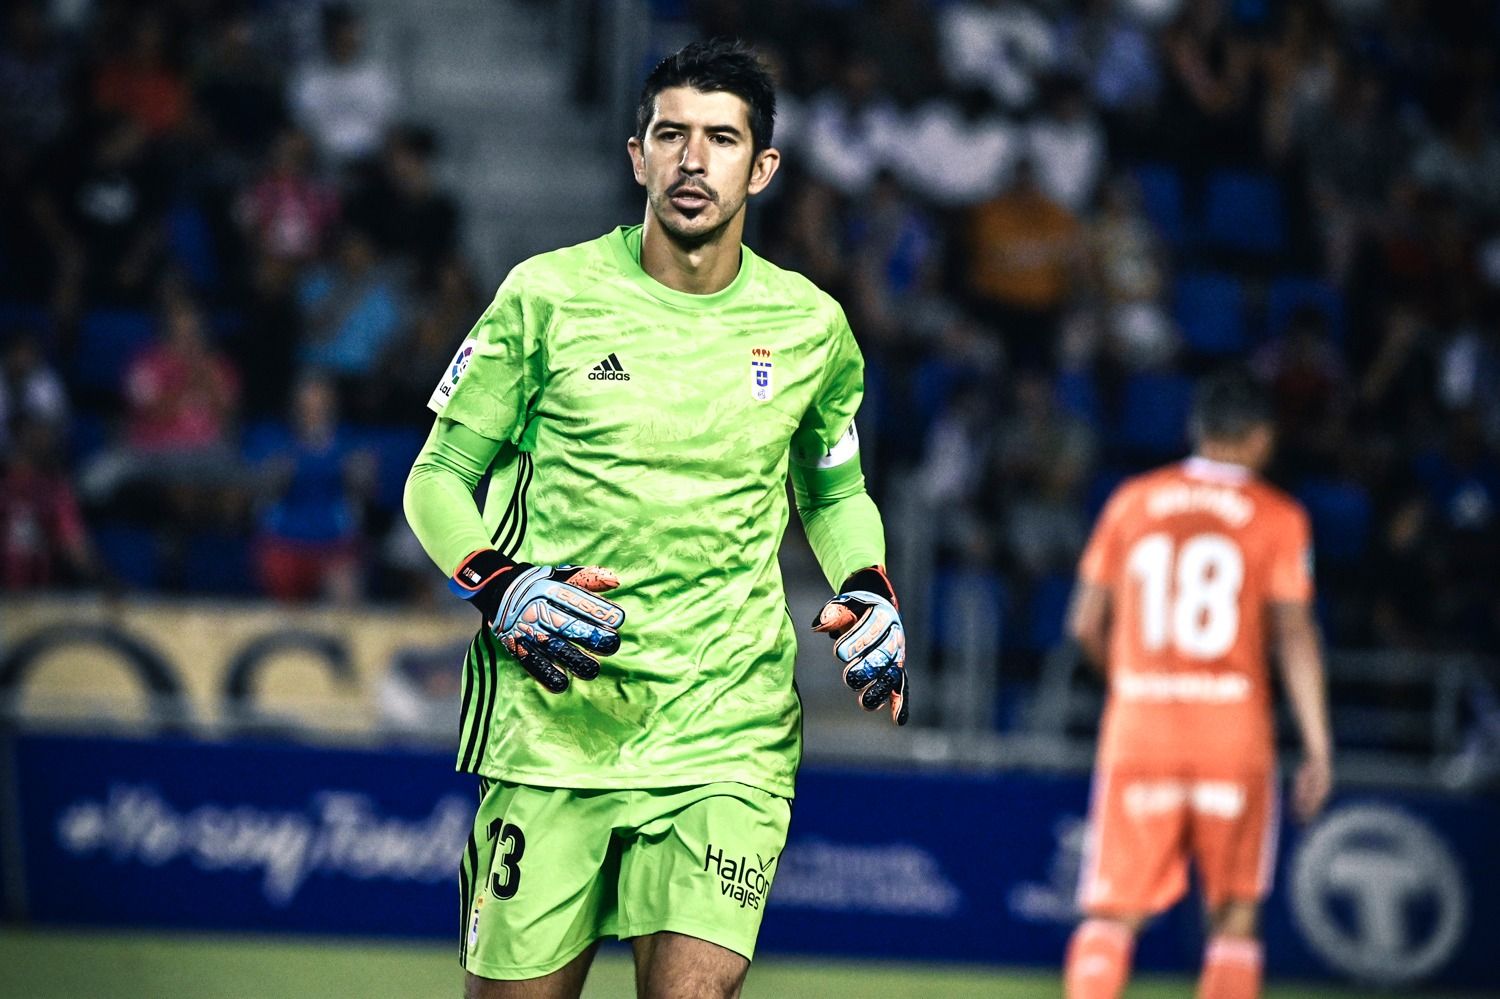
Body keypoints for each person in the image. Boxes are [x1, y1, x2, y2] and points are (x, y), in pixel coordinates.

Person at [402, 39, 910, 999]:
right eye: (671, 134)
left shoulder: (811, 328)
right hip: (558, 718)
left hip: (729, 728)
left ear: (761, 168)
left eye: (721, 138)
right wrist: (498, 584)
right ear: (636, 154)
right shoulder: (545, 297)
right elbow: (437, 477)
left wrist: (867, 585)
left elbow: (835, 492)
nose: (692, 159)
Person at [1062, 370, 1333, 999]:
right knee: (1234, 913)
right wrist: (1318, 745)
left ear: (1198, 429)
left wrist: (1132, 684)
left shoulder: (1132, 500)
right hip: (1232, 731)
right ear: (1261, 439)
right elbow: (1295, 635)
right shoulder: (1279, 517)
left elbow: (1082, 624)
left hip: (1143, 725)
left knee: (1112, 912)